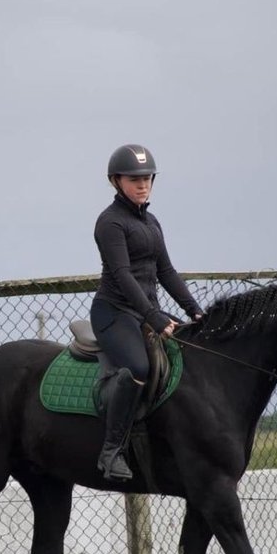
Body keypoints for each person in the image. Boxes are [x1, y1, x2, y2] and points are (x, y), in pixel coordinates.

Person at [91, 143, 204, 481]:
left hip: (144, 312)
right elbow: (123, 276)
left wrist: (195, 311)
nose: (143, 185)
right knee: (139, 367)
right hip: (114, 313)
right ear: (116, 181)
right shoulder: (109, 223)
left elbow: (166, 271)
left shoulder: (152, 222)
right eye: (134, 179)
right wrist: (153, 316)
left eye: (147, 178)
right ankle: (111, 452)